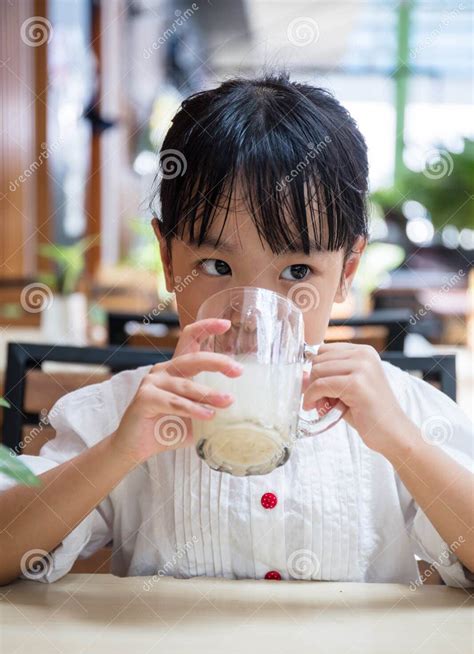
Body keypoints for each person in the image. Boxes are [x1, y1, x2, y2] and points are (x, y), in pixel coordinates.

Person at [0, 73, 472, 588]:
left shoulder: (398, 409)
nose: (253, 315)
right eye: (216, 266)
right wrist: (116, 454)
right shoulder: (120, 415)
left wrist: (403, 444)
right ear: (166, 255)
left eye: (296, 272)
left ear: (348, 270)